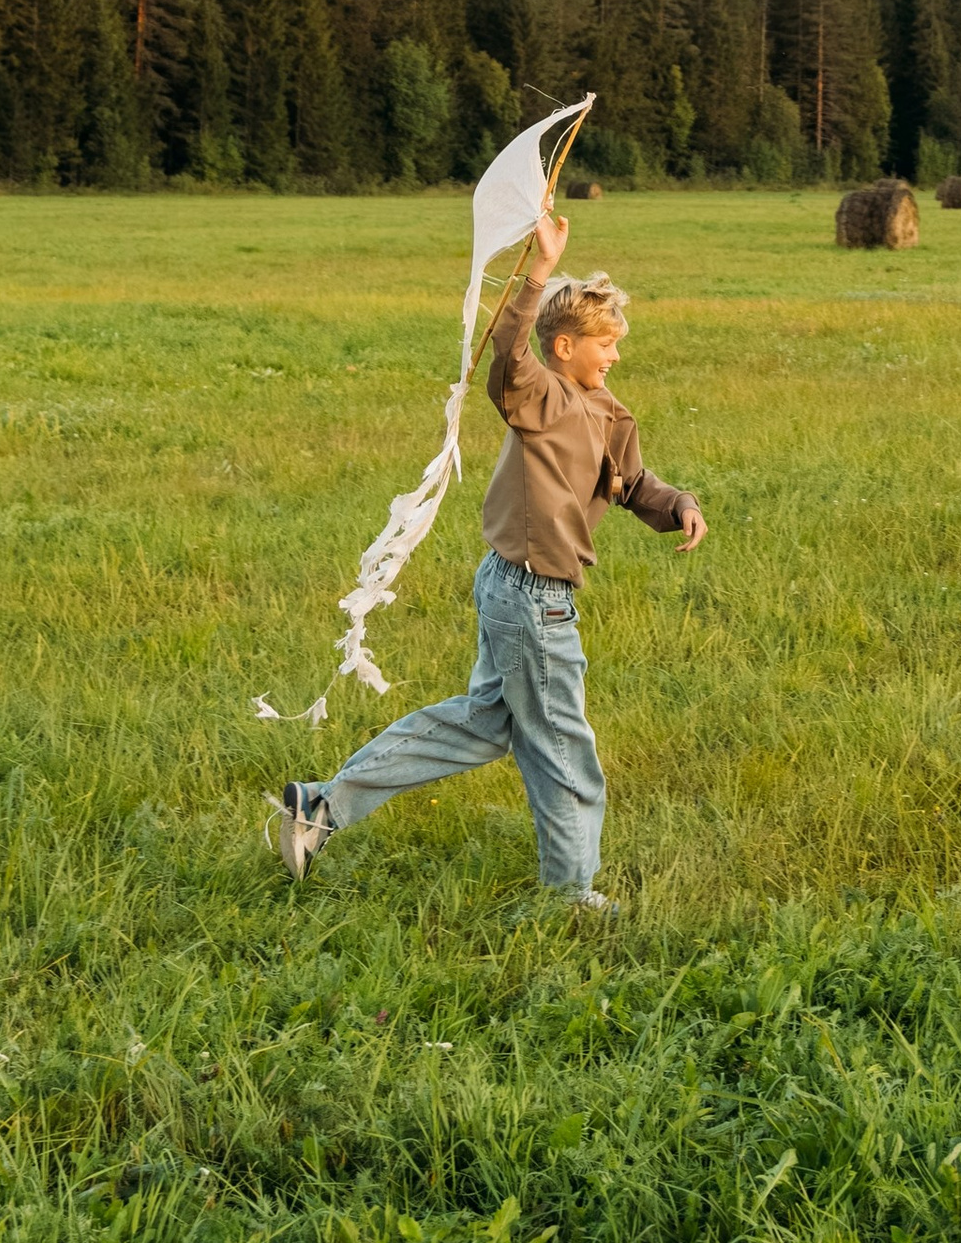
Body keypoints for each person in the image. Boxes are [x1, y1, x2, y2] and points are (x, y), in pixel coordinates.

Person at [265, 202, 706, 907]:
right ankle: (572, 899)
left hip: (517, 590)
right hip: (531, 596)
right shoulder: (537, 395)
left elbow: (630, 482)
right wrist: (541, 268)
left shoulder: (607, 410)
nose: (615, 355)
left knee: (484, 726)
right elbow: (510, 348)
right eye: (604, 343)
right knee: (564, 750)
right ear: (565, 345)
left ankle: (321, 806)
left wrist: (677, 502)